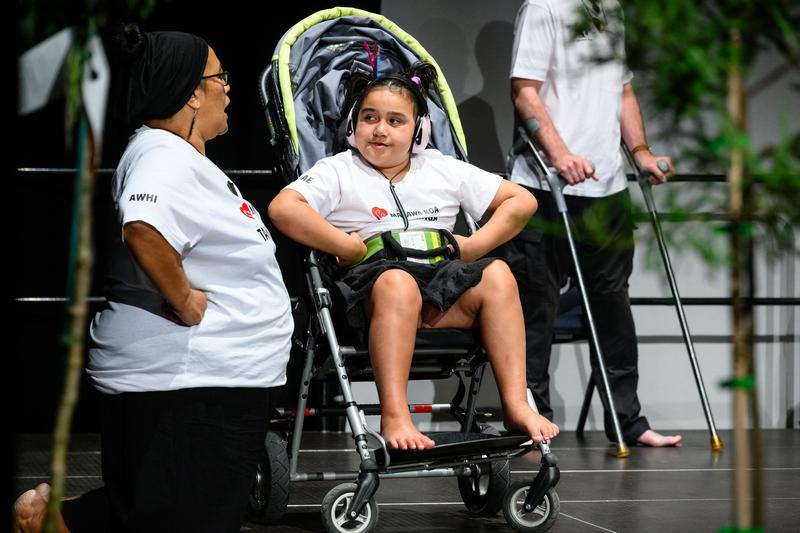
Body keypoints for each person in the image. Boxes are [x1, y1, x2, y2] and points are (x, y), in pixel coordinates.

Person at [13, 23, 293, 533]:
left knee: (178, 513)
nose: (228, 88)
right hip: (184, 380)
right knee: (177, 518)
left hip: (208, 381)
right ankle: (43, 521)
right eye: (219, 77)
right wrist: (184, 300)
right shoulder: (161, 154)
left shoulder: (181, 157)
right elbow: (143, 226)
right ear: (190, 92)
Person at [268, 61, 559, 451]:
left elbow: (521, 201)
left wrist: (473, 246)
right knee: (398, 283)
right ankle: (395, 416)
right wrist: (344, 245)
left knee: (499, 274)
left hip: (440, 287)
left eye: (395, 120)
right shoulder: (338, 171)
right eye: (369, 118)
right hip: (371, 290)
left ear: (419, 131)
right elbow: (284, 208)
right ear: (354, 125)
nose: (380, 129)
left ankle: (516, 403)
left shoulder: (440, 168)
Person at [505, 0, 682, 447]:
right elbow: (524, 90)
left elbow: (621, 91)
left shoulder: (611, 9)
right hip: (543, 187)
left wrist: (639, 151)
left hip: (605, 189)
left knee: (612, 305)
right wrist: (559, 154)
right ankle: (532, 421)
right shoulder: (544, 7)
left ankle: (628, 421)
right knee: (535, 309)